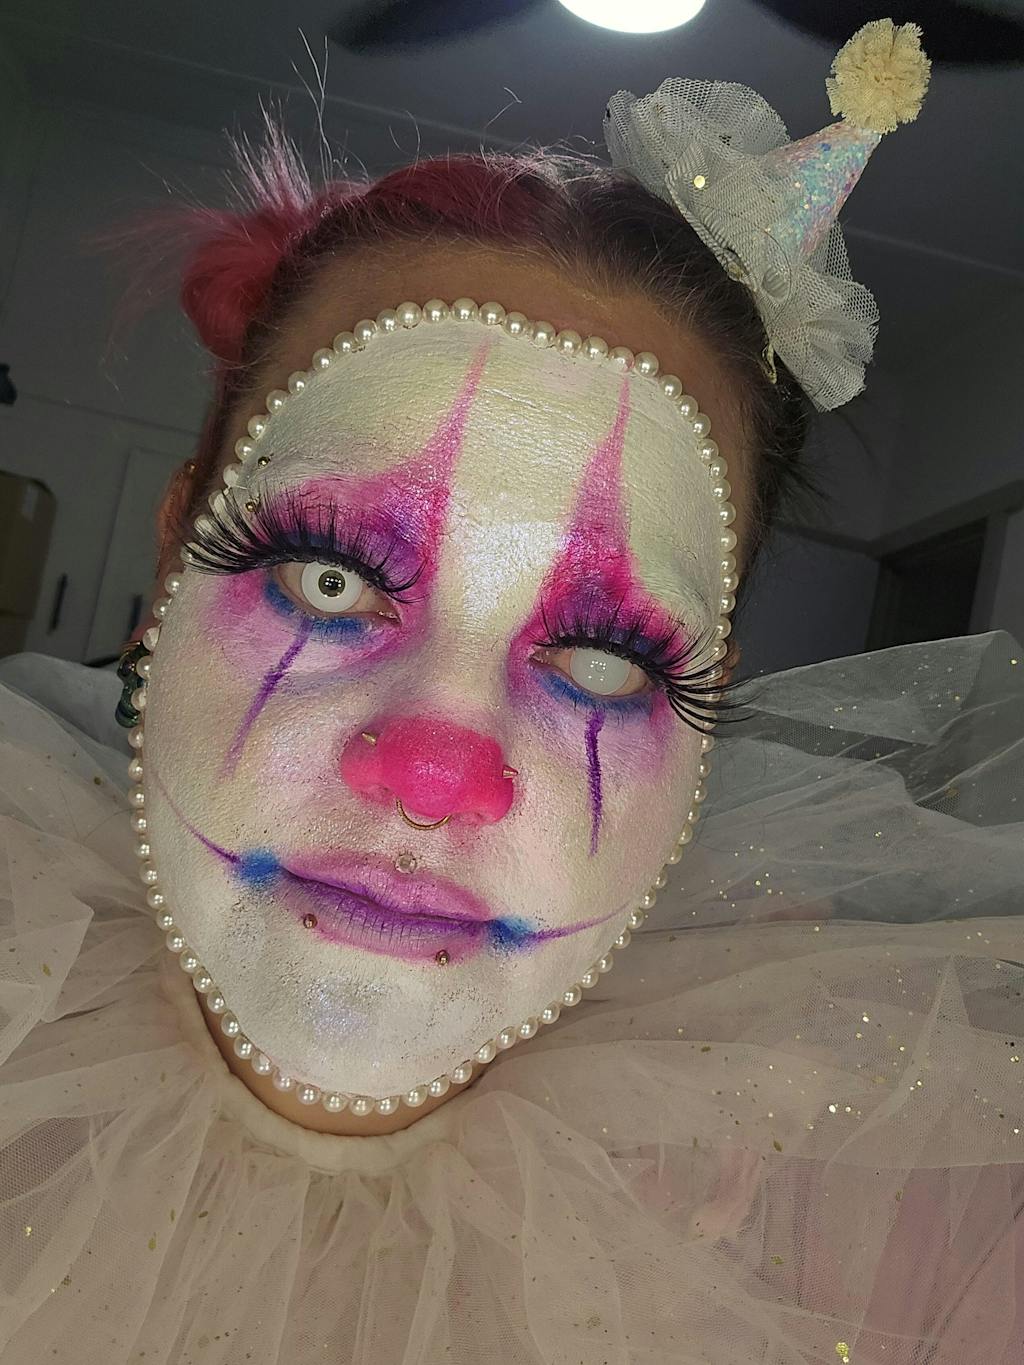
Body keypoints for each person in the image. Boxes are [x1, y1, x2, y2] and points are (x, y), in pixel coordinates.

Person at [1, 18, 1022, 1362]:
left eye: (605, 656)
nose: (434, 772)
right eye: (329, 579)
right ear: (175, 547)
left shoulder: (906, 1216)